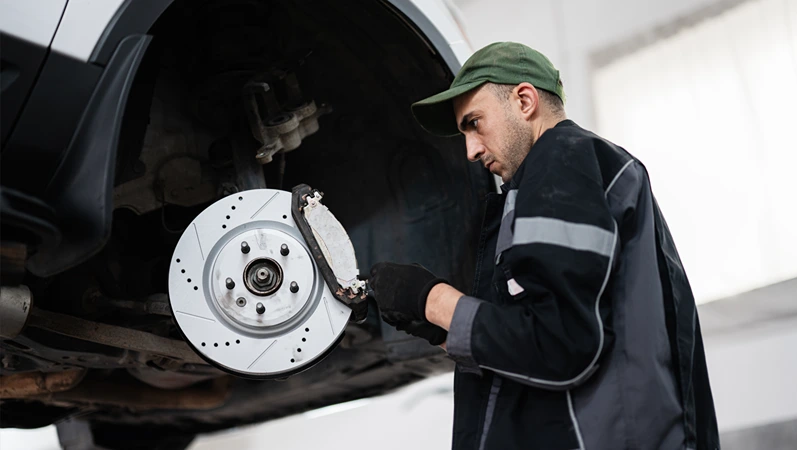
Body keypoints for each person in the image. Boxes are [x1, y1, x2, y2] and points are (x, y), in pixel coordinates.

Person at [368, 42, 719, 450]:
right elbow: (537, 338)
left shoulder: (561, 159)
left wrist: (433, 300)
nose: (470, 150)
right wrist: (440, 330)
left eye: (475, 123)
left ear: (524, 100)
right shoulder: (565, 173)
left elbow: (562, 343)